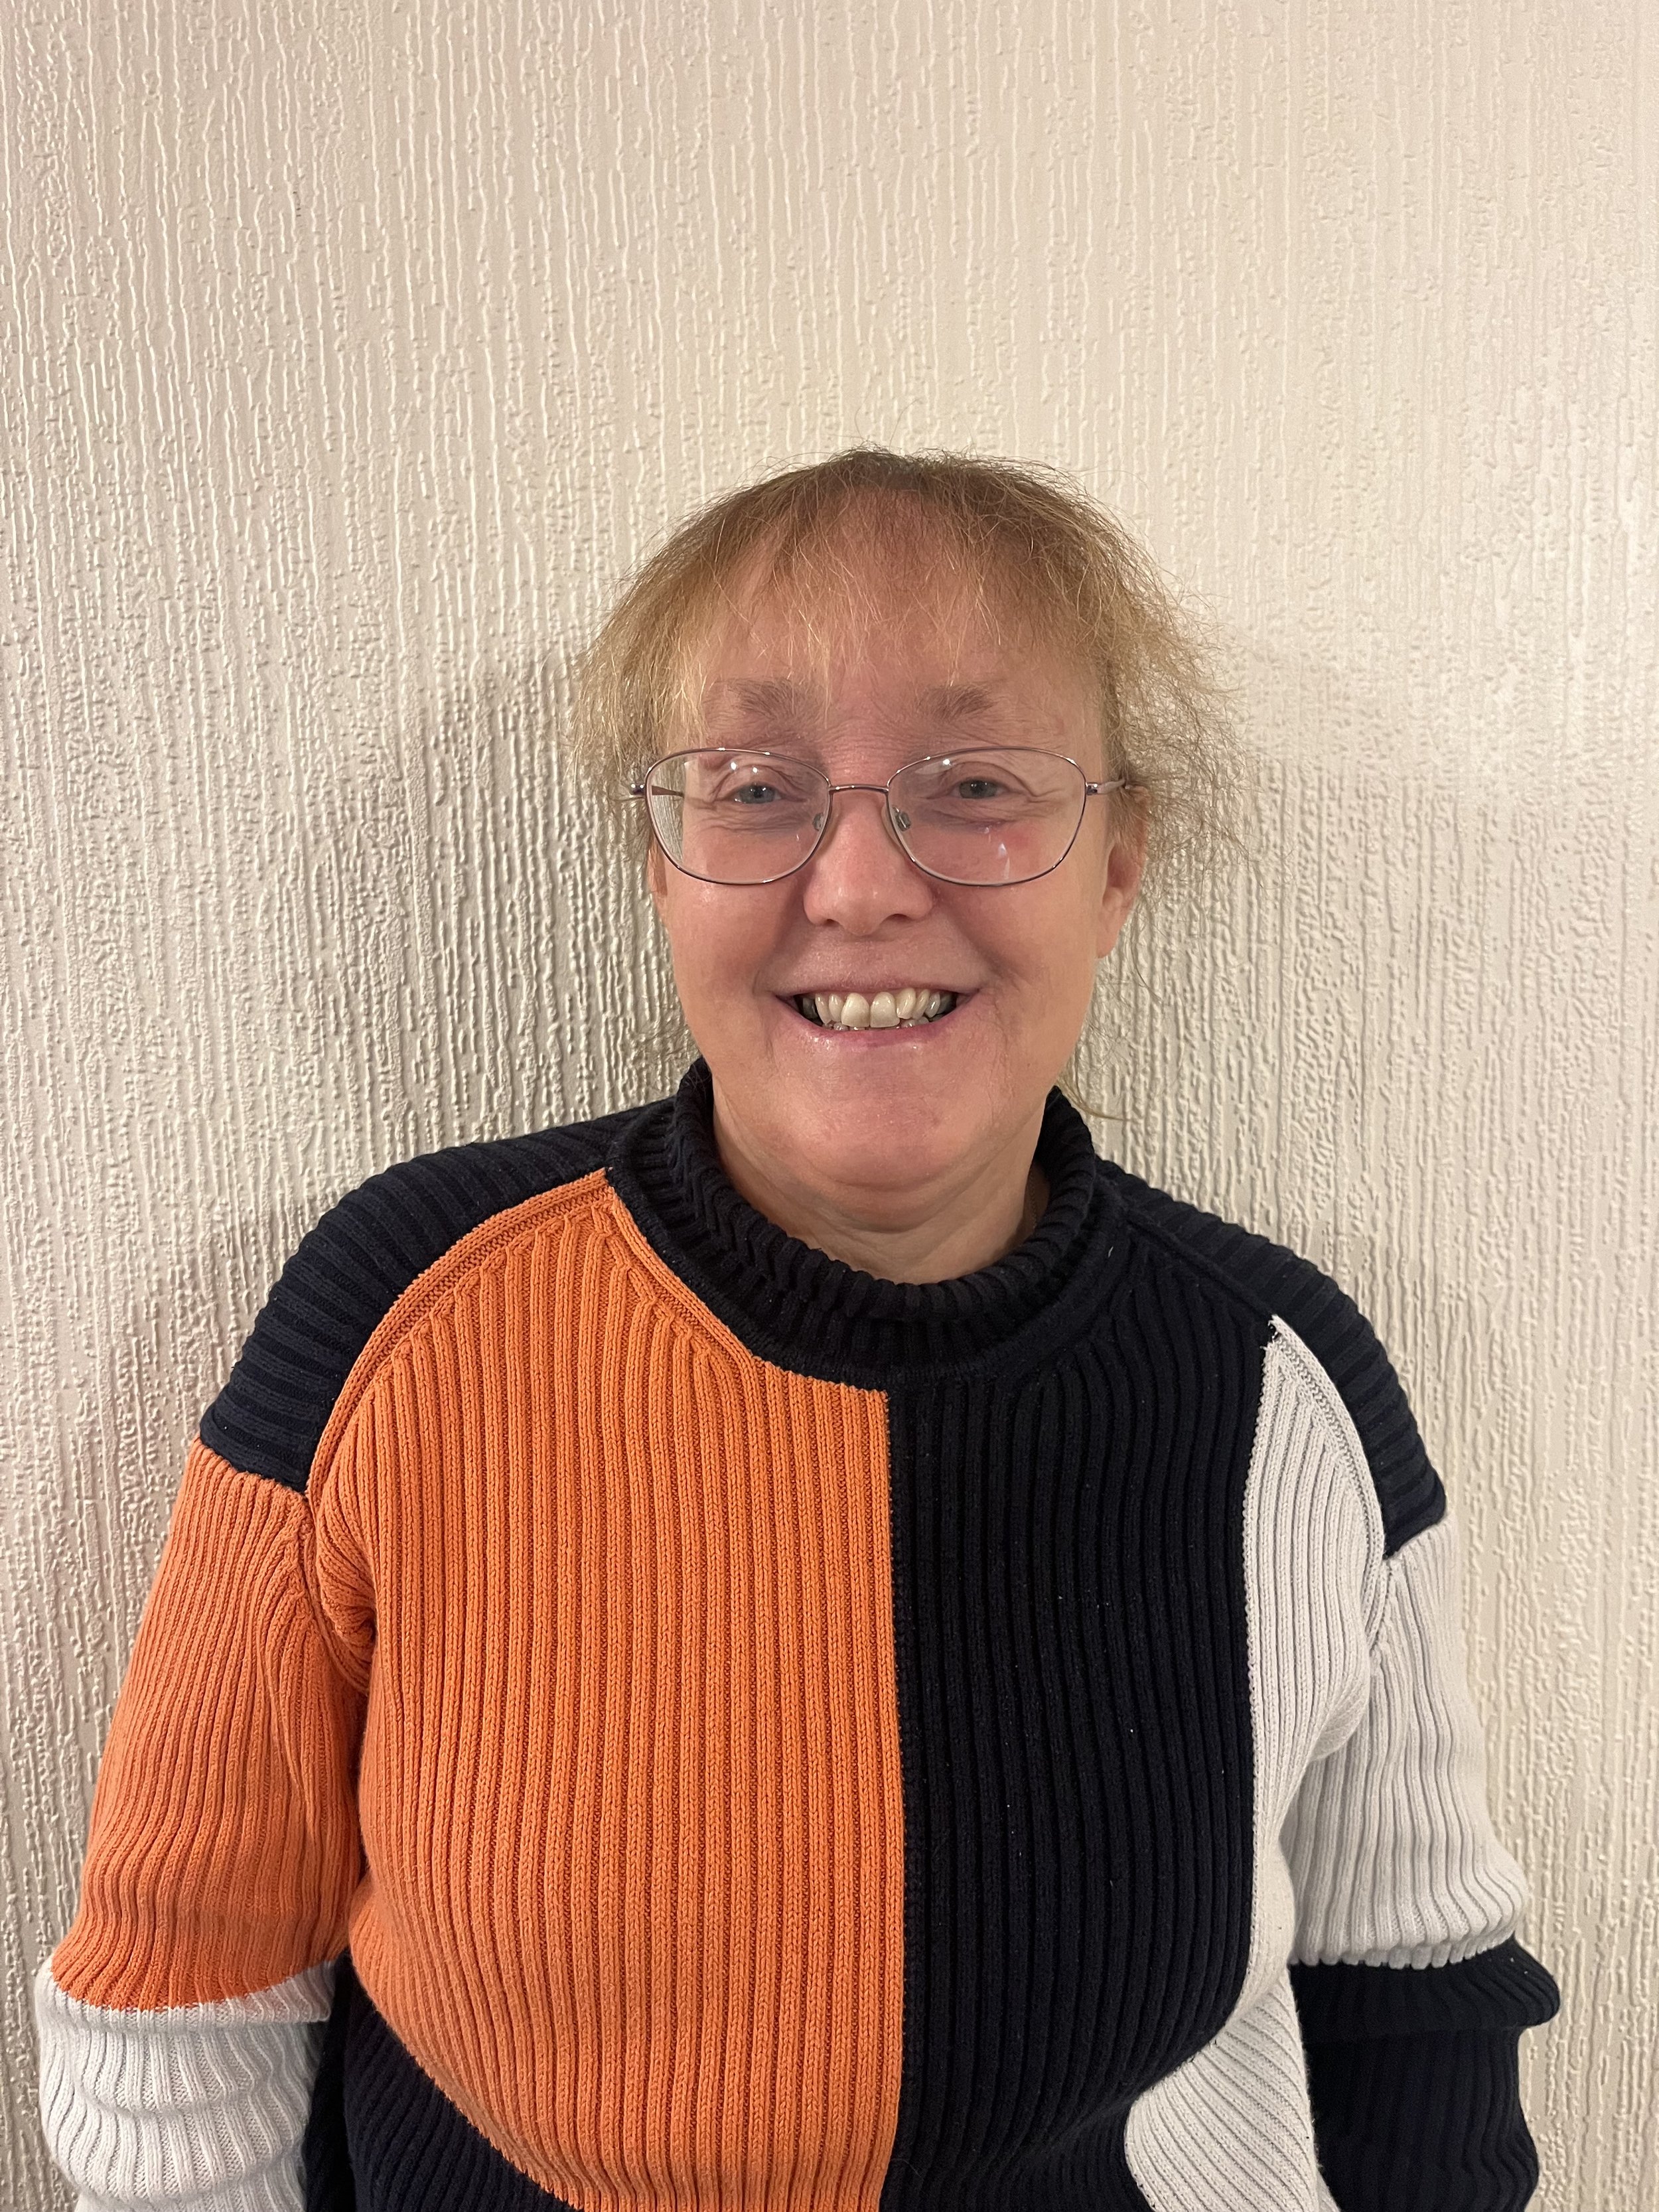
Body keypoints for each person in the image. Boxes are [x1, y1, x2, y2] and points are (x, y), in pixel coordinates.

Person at [36, 449, 1558, 2212]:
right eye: (756, 787)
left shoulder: (1285, 1384)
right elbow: (180, 2013)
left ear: (1117, 865)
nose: (857, 884)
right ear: (658, 865)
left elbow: (1417, 2004)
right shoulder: (396, 1320)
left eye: (974, 783)